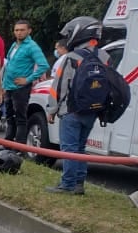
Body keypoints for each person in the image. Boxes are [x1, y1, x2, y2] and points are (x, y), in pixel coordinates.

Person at [45, 16, 108, 195]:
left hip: (71, 110)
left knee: (69, 149)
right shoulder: (104, 56)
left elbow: (59, 86)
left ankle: (67, 184)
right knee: (80, 148)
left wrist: (52, 109)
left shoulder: (72, 57)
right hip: (93, 110)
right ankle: (79, 184)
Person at [1, 19, 49, 145]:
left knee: (20, 118)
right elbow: (9, 65)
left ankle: (19, 147)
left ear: (29, 31)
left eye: (22, 30)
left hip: (20, 88)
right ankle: (8, 144)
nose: (19, 32)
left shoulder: (32, 46)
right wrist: (4, 84)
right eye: (16, 30)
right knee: (9, 117)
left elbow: (43, 65)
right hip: (9, 86)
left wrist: (28, 79)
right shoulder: (14, 45)